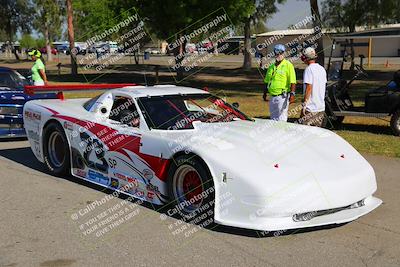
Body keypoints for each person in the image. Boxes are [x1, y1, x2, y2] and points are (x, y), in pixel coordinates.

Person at [263, 44, 296, 121]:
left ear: (284, 53)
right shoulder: (271, 66)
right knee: (273, 118)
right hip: (272, 96)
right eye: (277, 53)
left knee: (281, 118)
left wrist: (292, 94)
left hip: (282, 97)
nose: (279, 55)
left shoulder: (288, 65)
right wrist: (264, 93)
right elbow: (266, 81)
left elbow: (293, 81)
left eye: (281, 53)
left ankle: (282, 133)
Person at [299, 47, 327, 127]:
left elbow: (309, 87)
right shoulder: (322, 69)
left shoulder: (308, 69)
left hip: (310, 108)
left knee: (307, 134)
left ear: (305, 58)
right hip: (321, 108)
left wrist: (304, 106)